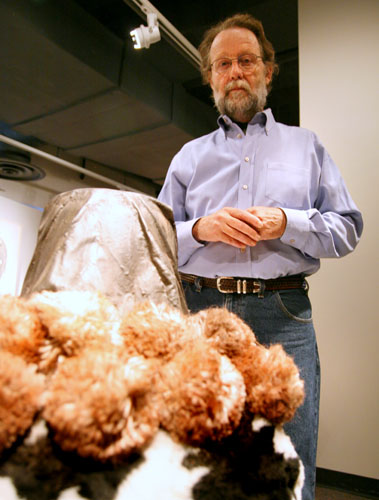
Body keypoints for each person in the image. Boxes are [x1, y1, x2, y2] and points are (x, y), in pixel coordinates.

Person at [158, 13, 363, 500]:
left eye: (246, 60)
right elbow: (158, 237)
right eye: (223, 64)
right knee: (199, 456)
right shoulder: (188, 157)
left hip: (284, 316)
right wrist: (200, 229)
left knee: (289, 463)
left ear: (268, 72)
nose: (235, 72)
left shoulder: (307, 146)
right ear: (210, 78)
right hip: (201, 313)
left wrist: (286, 222)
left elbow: (348, 229)